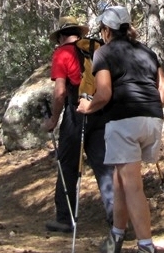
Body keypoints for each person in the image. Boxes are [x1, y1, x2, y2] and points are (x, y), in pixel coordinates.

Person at [77, 6, 164, 253]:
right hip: (152, 119)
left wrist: (87, 107)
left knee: (131, 185)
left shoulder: (103, 53)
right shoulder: (147, 52)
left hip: (122, 121)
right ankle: (116, 239)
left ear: (106, 30)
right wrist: (148, 110)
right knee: (119, 180)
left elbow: (104, 94)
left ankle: (146, 250)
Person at [42, 16, 114, 233]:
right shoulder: (99, 48)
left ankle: (65, 219)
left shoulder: (62, 53)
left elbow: (60, 92)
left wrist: (54, 119)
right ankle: (117, 221)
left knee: (67, 165)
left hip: (77, 114)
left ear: (61, 36)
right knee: (104, 167)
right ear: (79, 33)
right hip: (102, 112)